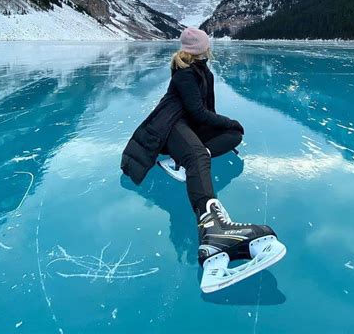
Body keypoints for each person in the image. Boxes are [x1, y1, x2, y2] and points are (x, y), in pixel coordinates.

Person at [121, 27, 286, 293]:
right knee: (201, 150)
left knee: (233, 135)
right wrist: (228, 121)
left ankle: (193, 159)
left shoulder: (202, 70)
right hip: (172, 125)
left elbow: (205, 112)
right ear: (201, 48)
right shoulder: (186, 74)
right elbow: (198, 112)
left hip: (190, 126)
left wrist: (226, 128)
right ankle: (213, 228)